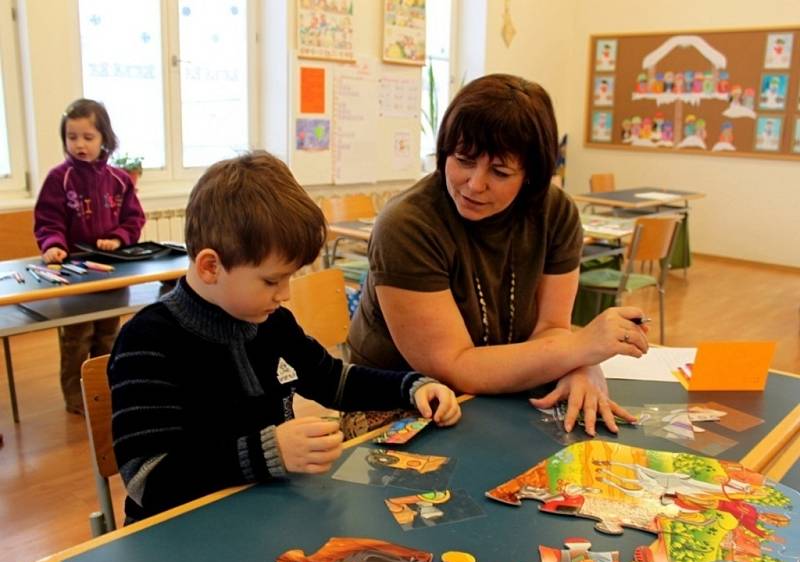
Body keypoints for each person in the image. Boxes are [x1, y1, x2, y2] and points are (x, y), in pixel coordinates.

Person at [108, 151, 460, 523]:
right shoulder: (147, 342)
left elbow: (333, 381)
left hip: (263, 517)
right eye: (272, 280)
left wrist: (411, 386)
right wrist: (266, 452)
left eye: (291, 277)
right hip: (178, 534)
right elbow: (148, 480)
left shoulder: (272, 321)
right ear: (211, 266)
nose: (285, 293)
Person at [347, 74, 649, 439]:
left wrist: (583, 365)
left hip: (504, 389)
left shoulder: (555, 213)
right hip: (401, 399)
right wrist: (582, 347)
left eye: (500, 171)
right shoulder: (407, 226)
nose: (475, 184)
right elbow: (456, 367)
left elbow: (551, 329)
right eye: (463, 160)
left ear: (531, 177)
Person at [34, 98, 145, 415]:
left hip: (111, 272)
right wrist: (53, 244)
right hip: (74, 274)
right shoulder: (59, 178)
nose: (79, 144)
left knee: (108, 336)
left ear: (104, 139)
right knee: (77, 338)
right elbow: (48, 220)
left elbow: (134, 220)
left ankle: (103, 392)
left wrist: (118, 237)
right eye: (72, 137)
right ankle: (75, 398)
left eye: (88, 137)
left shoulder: (120, 179)